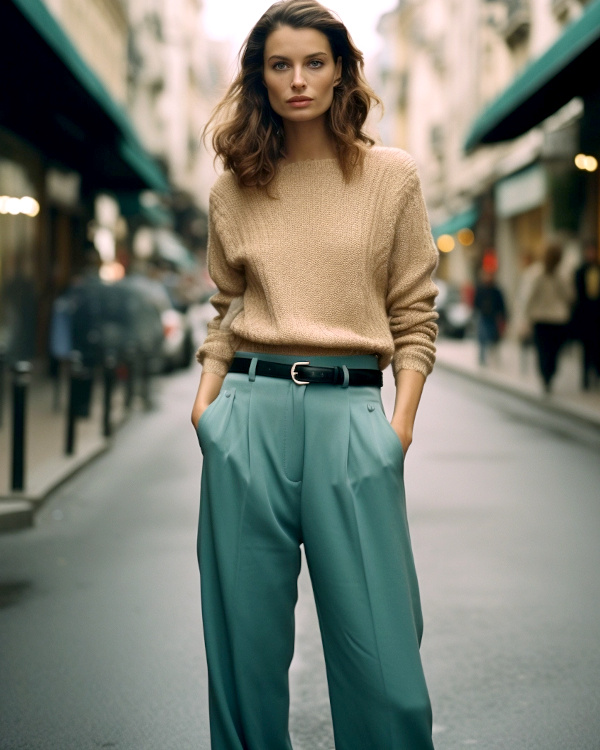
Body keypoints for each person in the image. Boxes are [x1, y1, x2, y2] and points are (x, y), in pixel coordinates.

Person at [191, 2, 439, 748]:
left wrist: (397, 431)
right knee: (243, 656)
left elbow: (415, 316)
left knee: (385, 667)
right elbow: (225, 308)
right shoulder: (234, 188)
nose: (297, 80)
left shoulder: (389, 178)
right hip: (247, 416)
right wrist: (208, 409)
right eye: (279, 65)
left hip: (352, 420)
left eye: (313, 63)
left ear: (340, 72)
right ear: (259, 77)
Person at [525, 242, 573, 393]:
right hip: (553, 319)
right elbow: (570, 296)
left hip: (546, 319)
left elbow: (528, 297)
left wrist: (526, 316)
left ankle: (546, 375)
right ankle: (548, 375)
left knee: (545, 350)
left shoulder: (556, 274)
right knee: (551, 350)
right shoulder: (542, 273)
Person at [573, 239, 600, 389]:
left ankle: (596, 374)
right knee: (586, 349)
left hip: (597, 316)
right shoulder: (580, 271)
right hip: (585, 317)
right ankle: (585, 379)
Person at [473, 268, 507, 365]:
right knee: (482, 337)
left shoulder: (496, 290)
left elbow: (502, 305)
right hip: (483, 316)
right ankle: (482, 358)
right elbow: (476, 303)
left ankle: (494, 357)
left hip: (493, 317)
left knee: (494, 337)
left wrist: (503, 318)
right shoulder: (481, 289)